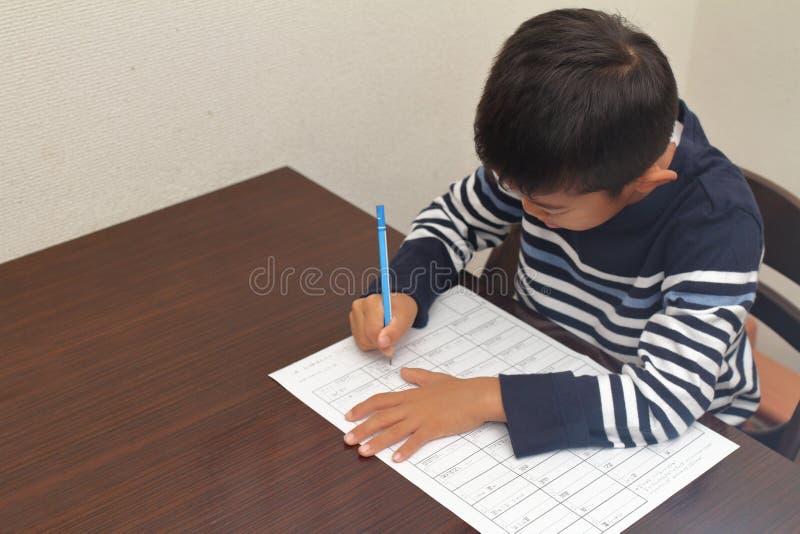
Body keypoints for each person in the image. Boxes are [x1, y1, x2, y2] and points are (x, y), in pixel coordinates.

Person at [344, 8, 763, 463]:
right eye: (511, 188)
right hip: (549, 352)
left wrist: (483, 399)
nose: (526, 211)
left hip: (696, 430)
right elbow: (454, 218)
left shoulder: (717, 223)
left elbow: (664, 401)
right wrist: (405, 290)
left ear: (642, 184)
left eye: (548, 208)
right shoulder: (555, 162)